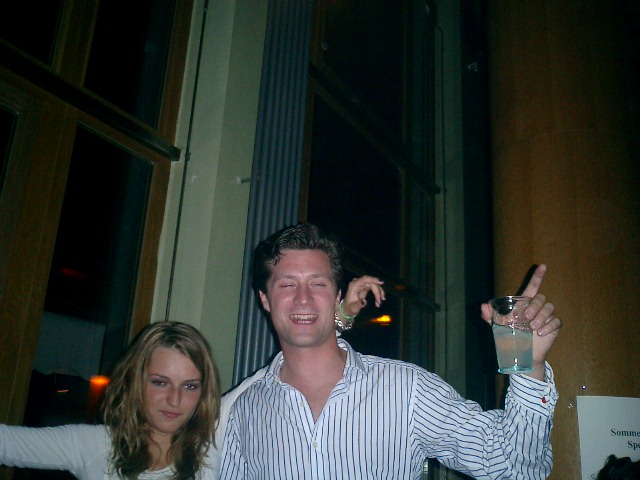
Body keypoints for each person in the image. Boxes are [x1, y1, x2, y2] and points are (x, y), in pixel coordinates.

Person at [218, 223, 562, 479]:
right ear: (265, 299)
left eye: (318, 284)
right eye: (287, 284)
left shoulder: (406, 389)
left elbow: (514, 467)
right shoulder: (243, 410)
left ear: (337, 297)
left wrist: (526, 363)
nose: (303, 298)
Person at [0, 321, 221, 480]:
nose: (175, 400)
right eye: (160, 382)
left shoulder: (214, 454)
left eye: (189, 386)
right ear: (135, 381)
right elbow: (7, 444)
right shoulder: (95, 445)